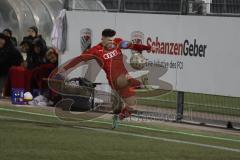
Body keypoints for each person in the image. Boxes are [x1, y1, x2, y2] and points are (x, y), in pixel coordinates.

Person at [55, 29, 152, 128]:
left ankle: (118, 117)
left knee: (130, 108)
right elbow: (79, 59)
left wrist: (147, 47)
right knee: (125, 82)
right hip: (115, 81)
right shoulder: (96, 51)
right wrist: (65, 69)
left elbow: (134, 46)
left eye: (112, 40)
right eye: (109, 40)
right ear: (102, 39)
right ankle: (139, 82)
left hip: (124, 78)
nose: (111, 43)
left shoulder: (118, 43)